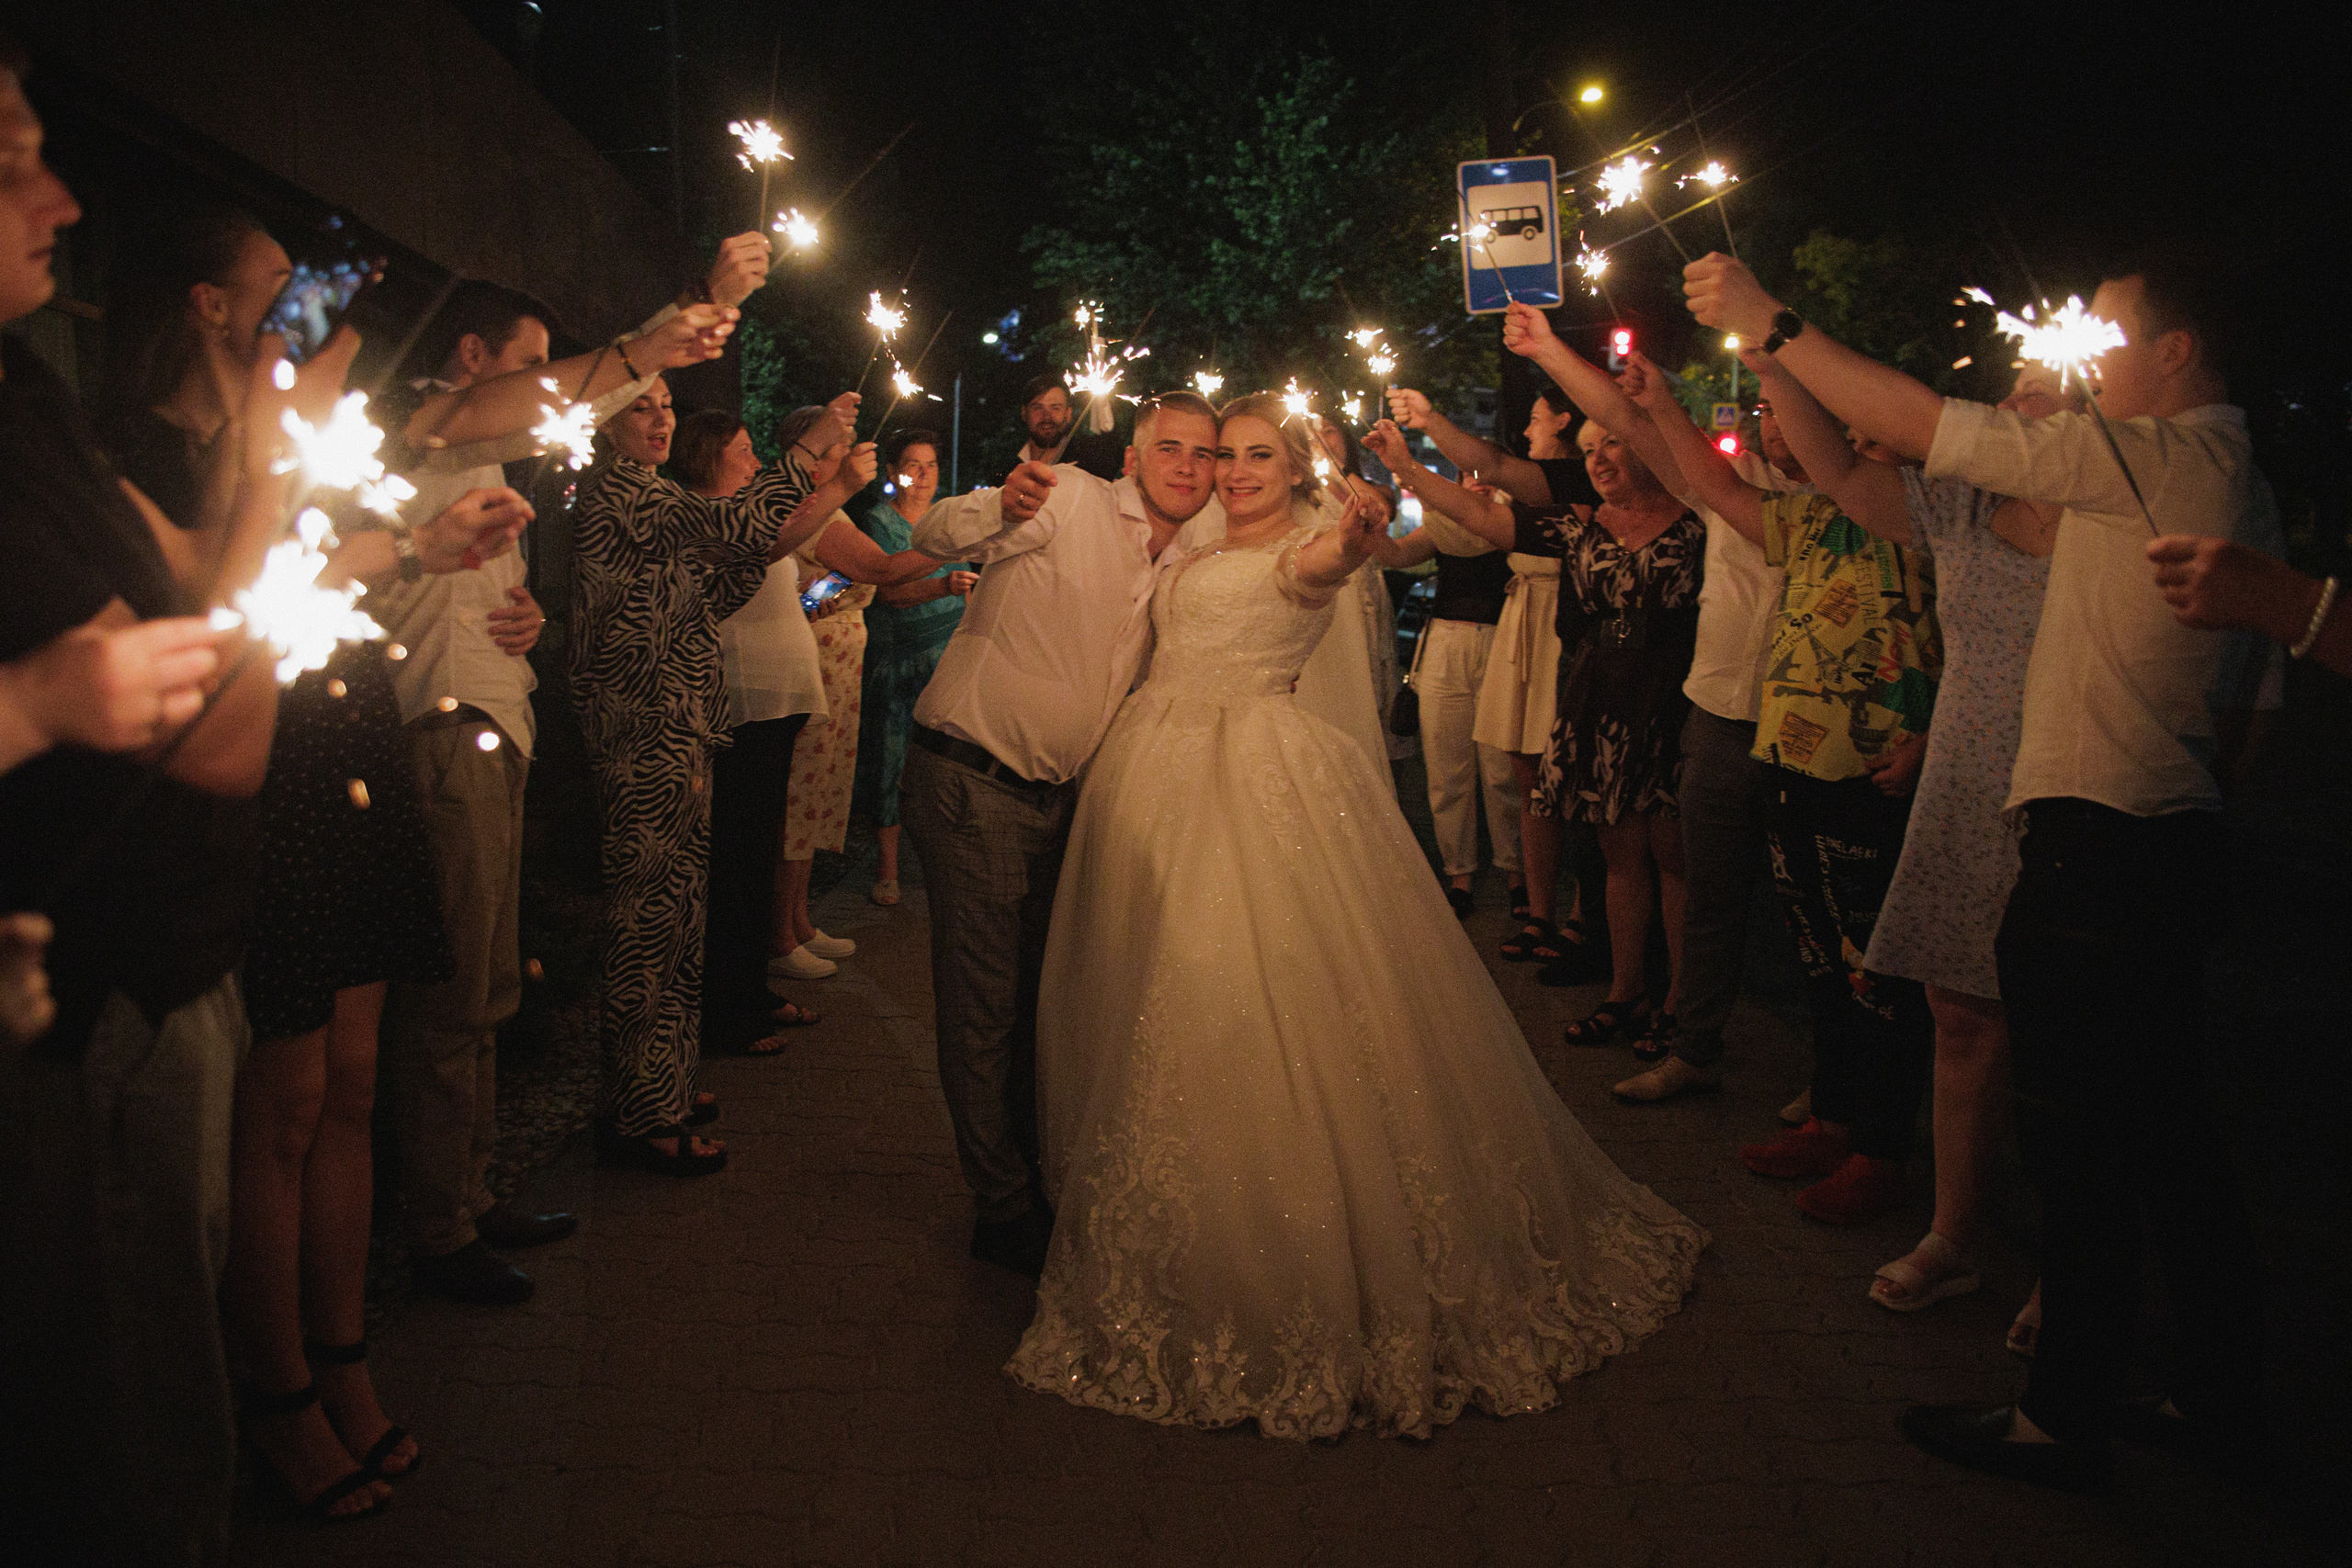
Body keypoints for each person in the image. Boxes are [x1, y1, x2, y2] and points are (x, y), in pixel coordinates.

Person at [1683, 249, 2282, 1490]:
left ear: (2176, 351)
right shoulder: (2197, 464)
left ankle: (2064, 1410)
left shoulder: (2153, 455)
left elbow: (1914, 420)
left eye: (2106, 329)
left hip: (2109, 834)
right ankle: (2215, 1393)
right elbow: (1889, 461)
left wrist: (1770, 320)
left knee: (2088, 1136)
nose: (2084, 349)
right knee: (2167, 1133)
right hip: (2146, 828)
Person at [1006, 392, 1704, 1438]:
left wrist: (1353, 535)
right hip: (1148, 776)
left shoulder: (1307, 547)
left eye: (1256, 457)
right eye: (1224, 456)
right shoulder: (1187, 543)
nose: (1236, 471)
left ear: (1294, 471)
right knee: (1142, 980)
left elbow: (1320, 571)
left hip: (1251, 780)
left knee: (1234, 987)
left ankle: (1290, 1250)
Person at [0, 51, 287, 1551]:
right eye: (10, 165)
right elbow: (226, 736)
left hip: (161, 964)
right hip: (97, 997)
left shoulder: (29, 406)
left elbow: (191, 589)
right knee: (129, 1452)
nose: (60, 200)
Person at [899, 390, 1222, 1278]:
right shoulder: (1069, 497)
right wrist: (995, 505)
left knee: (1037, 1001)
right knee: (984, 1005)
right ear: (1135, 456)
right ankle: (1000, 1208)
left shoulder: (1191, 554)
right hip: (973, 776)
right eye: (1171, 447)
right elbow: (934, 536)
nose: (1187, 465)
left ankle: (1029, 1175)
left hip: (1062, 799)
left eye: (1204, 452)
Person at [1620, 342, 1940, 1229]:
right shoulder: (1814, 517)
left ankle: (1884, 1147)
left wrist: (1933, 732)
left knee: (1877, 966)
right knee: (1820, 954)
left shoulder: (1933, 515)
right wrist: (1666, 407)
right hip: (1793, 758)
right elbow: (1717, 490)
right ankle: (1837, 1114)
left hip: (1872, 766)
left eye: (1872, 435)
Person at [570, 378, 867, 1173]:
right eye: (641, 406)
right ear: (602, 423)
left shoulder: (651, 496)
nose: (662, 418)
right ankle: (640, 1115)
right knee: (648, 927)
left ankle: (659, 1087)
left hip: (679, 731)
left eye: (667, 404)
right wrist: (812, 456)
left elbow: (722, 576)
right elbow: (736, 526)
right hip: (643, 734)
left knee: (675, 920)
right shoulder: (621, 494)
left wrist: (824, 480)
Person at [1370, 389, 1703, 1055]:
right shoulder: (1584, 526)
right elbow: (1478, 510)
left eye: (1611, 442)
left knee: (1673, 857)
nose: (1600, 459)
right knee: (1619, 854)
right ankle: (1625, 990)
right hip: (1603, 692)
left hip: (1670, 695)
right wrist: (1407, 467)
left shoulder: (1699, 518)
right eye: (1589, 450)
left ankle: (1680, 1007)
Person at [767, 405, 941, 982]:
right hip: (814, 669)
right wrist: (953, 545)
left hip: (839, 670)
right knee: (800, 796)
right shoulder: (814, 515)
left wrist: (832, 588)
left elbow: (817, 592)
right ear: (812, 459)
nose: (851, 457)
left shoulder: (829, 515)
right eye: (838, 449)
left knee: (821, 793)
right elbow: (885, 571)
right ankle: (779, 930)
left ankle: (799, 918)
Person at [673, 409, 827, 1055]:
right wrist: (835, 485)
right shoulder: (710, 520)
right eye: (744, 449)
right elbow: (766, 543)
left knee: (756, 853)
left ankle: (748, 987)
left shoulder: (745, 514)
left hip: (776, 705)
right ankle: (727, 1008)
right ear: (710, 457)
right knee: (734, 859)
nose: (755, 459)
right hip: (740, 703)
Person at [1374, 494, 1521, 914]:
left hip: (1501, 639)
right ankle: (1460, 872)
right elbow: (1398, 554)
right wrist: (1369, 529)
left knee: (1501, 768)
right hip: (1444, 641)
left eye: (1480, 475)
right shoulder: (1447, 525)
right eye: (1462, 477)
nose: (1472, 484)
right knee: (1445, 764)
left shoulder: (1512, 522)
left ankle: (1516, 871)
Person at [851, 427, 977, 906]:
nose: (922, 475)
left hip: (950, 656)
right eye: (912, 465)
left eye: (931, 465)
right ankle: (887, 868)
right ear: (891, 472)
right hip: (901, 659)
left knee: (949, 765)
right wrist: (944, 587)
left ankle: (944, 862)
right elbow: (888, 591)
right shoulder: (877, 525)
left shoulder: (947, 519)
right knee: (892, 758)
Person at [1014, 371, 1125, 479]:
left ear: (1068, 414)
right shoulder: (1008, 467)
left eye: (1055, 408)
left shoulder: (1089, 463)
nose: (1046, 417)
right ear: (1024, 413)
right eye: (1038, 408)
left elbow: (1113, 456)